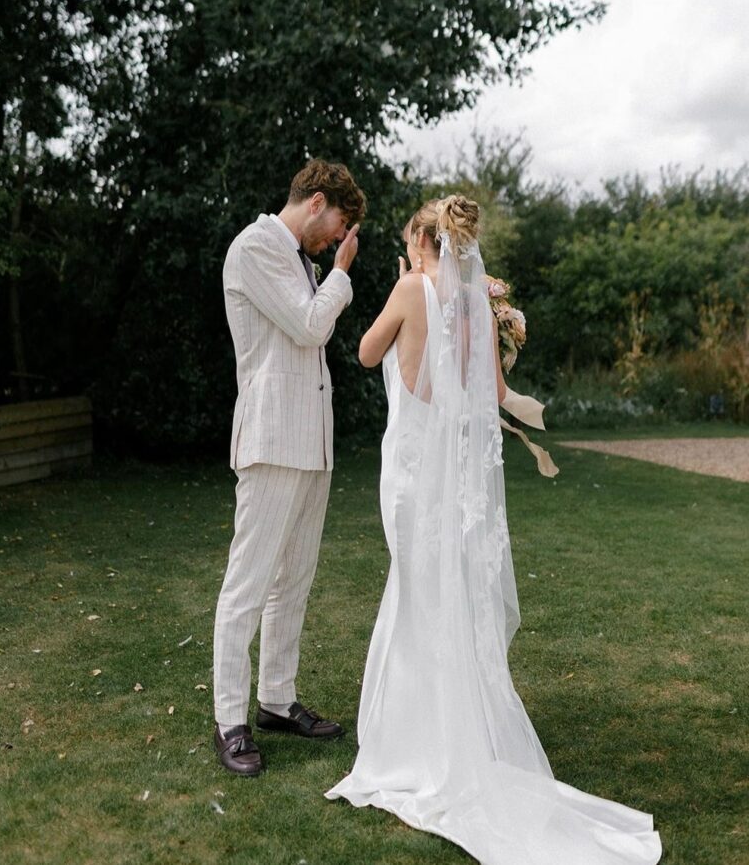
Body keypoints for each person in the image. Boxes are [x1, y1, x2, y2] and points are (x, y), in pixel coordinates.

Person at [326, 195, 662, 865]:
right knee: (440, 591)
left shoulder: (411, 288)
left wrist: (403, 281)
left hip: (412, 464)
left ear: (420, 241)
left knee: (419, 596)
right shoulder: (472, 304)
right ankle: (452, 730)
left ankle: (419, 743)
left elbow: (366, 355)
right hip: (449, 470)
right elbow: (494, 389)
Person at [213, 159, 365, 776]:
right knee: (248, 584)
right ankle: (230, 721)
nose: (335, 238)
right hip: (273, 440)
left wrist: (327, 272)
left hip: (312, 442)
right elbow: (309, 326)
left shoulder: (296, 256)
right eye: (338, 225)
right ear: (316, 201)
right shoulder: (256, 246)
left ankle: (276, 698)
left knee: (294, 580)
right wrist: (341, 275)